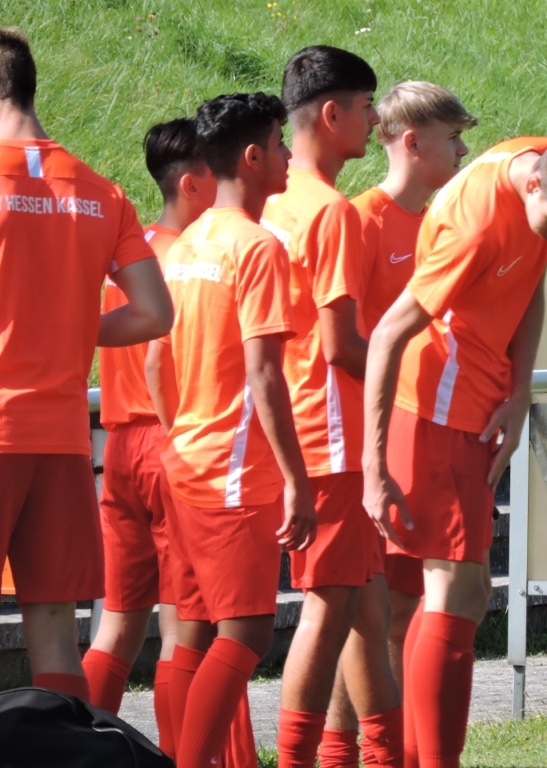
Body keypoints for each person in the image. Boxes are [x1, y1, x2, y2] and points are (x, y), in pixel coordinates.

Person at [362, 133, 547, 767]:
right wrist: (373, 465)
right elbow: (388, 335)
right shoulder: (475, 226)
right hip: (436, 411)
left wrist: (520, 389)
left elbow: (531, 279)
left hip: (474, 408)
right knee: (454, 594)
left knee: (463, 594)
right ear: (534, 185)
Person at [0, 27, 172, 702]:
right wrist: (71, 330)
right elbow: (154, 312)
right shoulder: (101, 191)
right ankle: (61, 749)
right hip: (63, 439)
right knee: (53, 628)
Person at [147, 91, 317, 768]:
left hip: (186, 463)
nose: (288, 156)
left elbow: (156, 359)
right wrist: (297, 481)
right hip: (235, 474)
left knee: (191, 633)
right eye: (279, 144)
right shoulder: (257, 247)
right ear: (252, 157)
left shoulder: (185, 244)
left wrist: (179, 434)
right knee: (245, 634)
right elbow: (266, 375)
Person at [85, 117, 258, 767]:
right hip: (173, 443)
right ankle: (193, 757)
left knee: (118, 624)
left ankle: (74, 747)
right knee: (189, 630)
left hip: (118, 448)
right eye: (215, 173)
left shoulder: (127, 258)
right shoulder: (193, 259)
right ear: (191, 183)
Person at [325, 80, 477, 767]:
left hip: (429, 440)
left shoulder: (447, 220)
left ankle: (403, 753)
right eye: (454, 137)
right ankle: (340, 752)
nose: (464, 151)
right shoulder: (361, 220)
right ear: (413, 143)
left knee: (410, 610)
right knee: (367, 618)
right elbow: (344, 343)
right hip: (372, 447)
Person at [259, 45, 399, 768]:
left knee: (367, 607)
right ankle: (298, 760)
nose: (375, 121)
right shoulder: (331, 211)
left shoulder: (270, 200)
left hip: (291, 420)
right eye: (368, 106)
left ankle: (376, 756)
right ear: (331, 114)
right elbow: (341, 344)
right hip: (332, 429)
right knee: (329, 605)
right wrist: (404, 372)